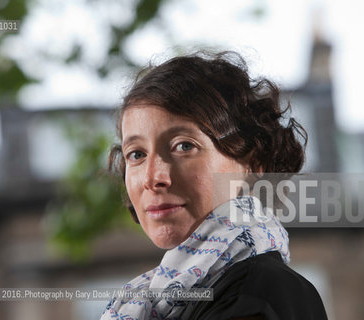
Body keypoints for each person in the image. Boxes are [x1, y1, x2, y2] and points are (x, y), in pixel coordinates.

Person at [102, 51, 327, 320]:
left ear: (253, 166)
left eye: (184, 146)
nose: (153, 177)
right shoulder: (157, 301)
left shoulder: (261, 294)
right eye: (136, 154)